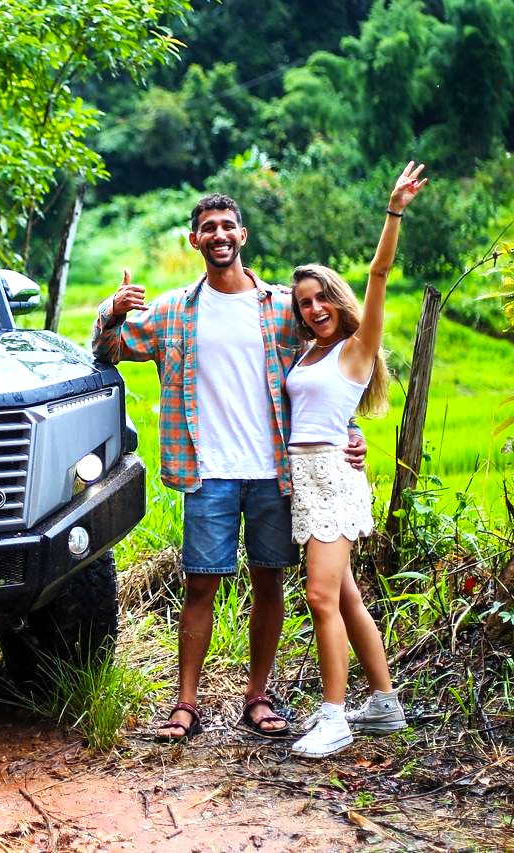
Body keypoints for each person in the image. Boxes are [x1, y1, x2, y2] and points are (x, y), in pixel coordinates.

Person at [93, 194, 366, 743]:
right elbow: (107, 351)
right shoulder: (172, 311)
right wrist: (112, 311)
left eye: (227, 226)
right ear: (195, 241)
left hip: (275, 472)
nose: (218, 235)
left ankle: (257, 698)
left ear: (242, 235)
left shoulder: (284, 307)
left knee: (270, 583)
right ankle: (185, 705)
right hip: (206, 471)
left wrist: (349, 431)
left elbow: (333, 365)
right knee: (201, 586)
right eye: (207, 228)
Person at [286, 163, 426, 759]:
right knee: (343, 596)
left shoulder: (356, 346)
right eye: (303, 303)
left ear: (336, 300)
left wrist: (393, 210)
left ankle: (335, 716)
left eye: (320, 298)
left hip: (332, 482)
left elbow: (379, 271)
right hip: (305, 477)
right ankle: (384, 701)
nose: (313, 308)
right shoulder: (308, 352)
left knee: (320, 597)